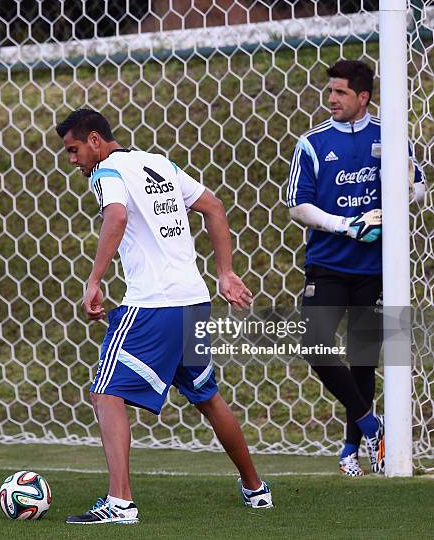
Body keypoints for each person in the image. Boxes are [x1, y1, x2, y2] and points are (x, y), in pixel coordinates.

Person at [56, 108, 273, 524]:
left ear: (96, 141)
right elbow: (213, 205)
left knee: (105, 392)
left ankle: (119, 502)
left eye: (74, 149)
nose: (73, 160)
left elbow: (116, 216)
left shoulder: (108, 172)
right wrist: (225, 273)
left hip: (153, 305)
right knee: (206, 396)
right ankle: (256, 489)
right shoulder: (159, 163)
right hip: (193, 300)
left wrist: (94, 280)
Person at [286, 60, 424, 476]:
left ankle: (352, 451)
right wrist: (347, 225)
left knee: (364, 359)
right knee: (314, 344)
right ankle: (370, 425)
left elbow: (417, 187)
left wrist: (387, 210)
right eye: (330, 91)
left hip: (376, 268)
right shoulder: (311, 143)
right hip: (327, 263)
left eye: (341, 93)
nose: (331, 99)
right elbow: (297, 206)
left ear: (363, 96)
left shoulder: (391, 137)